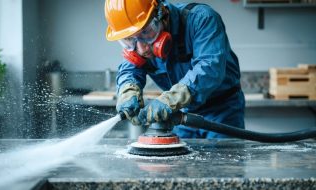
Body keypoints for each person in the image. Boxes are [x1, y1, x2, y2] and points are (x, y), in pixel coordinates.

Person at [104, 0, 245, 138]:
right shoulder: (140, 46)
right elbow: (130, 70)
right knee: (180, 159)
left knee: (224, 160)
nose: (142, 49)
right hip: (181, 111)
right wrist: (127, 91)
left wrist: (171, 99)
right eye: (128, 40)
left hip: (222, 110)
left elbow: (209, 67)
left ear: (162, 14)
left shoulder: (202, 19)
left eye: (146, 32)